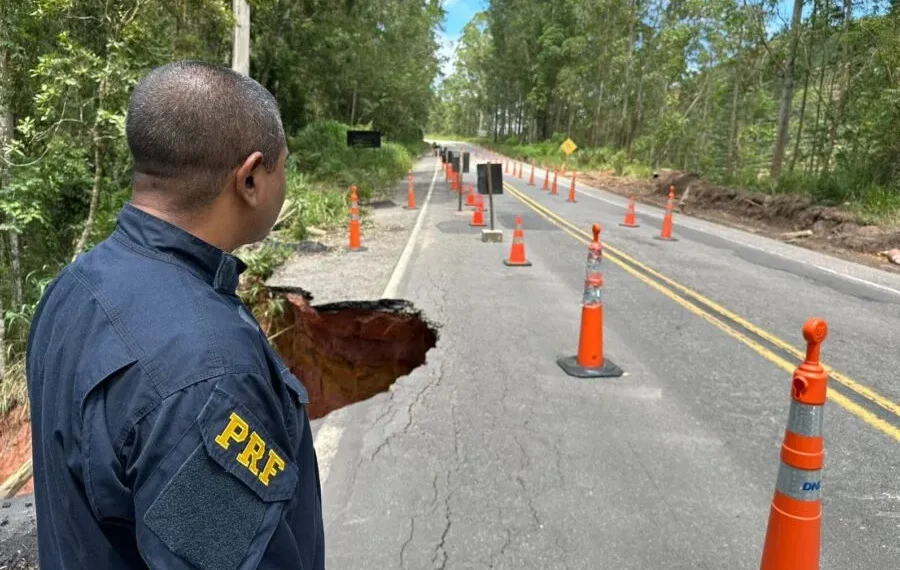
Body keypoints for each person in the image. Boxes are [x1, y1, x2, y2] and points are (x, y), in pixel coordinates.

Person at [26, 60, 325, 569]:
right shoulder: (206, 372)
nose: (285, 182)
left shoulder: (73, 286)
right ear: (250, 178)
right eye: (284, 167)